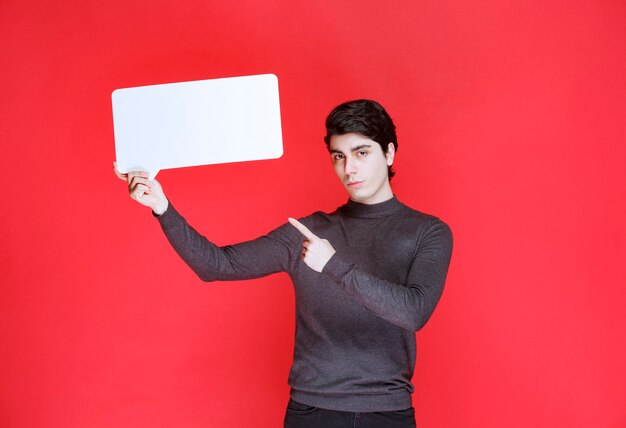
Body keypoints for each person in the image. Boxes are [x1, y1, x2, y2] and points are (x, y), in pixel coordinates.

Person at [114, 99, 453, 428]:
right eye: (339, 156)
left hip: (387, 414)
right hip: (312, 413)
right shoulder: (307, 234)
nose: (348, 168)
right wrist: (161, 206)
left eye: (361, 153)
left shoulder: (427, 232)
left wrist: (333, 265)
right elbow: (216, 265)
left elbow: (413, 312)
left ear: (389, 152)